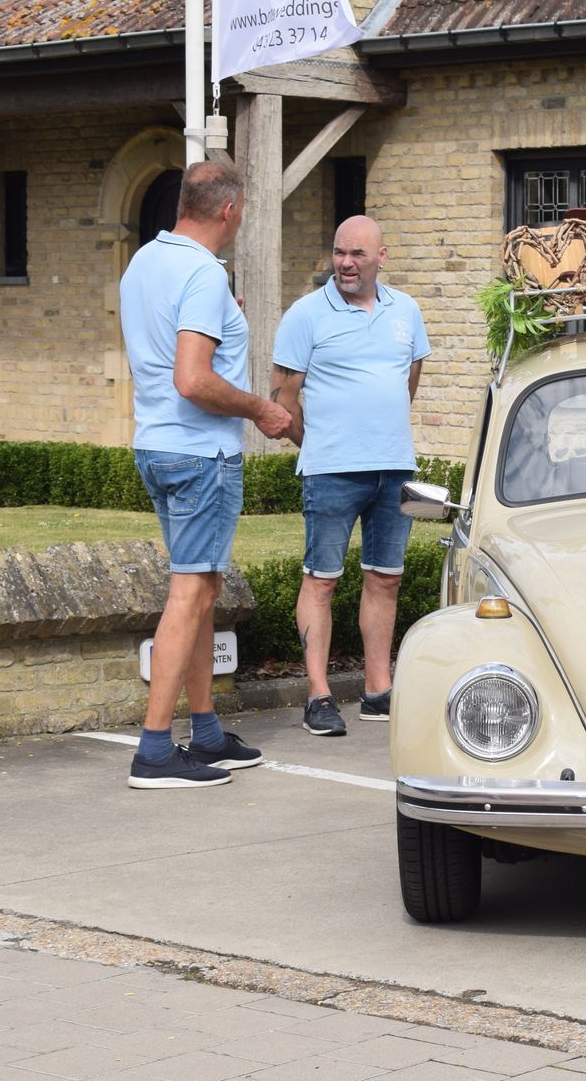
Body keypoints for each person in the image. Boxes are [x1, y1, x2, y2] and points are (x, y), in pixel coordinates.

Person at [120, 159, 294, 788]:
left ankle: (207, 733)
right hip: (198, 455)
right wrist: (261, 410)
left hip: (156, 446)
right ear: (229, 209)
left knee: (202, 589)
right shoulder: (201, 272)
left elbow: (169, 344)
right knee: (190, 592)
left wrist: (224, 313)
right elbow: (192, 380)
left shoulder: (145, 262)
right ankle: (154, 751)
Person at [270, 215, 431, 736]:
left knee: (386, 577)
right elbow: (283, 400)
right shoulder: (304, 315)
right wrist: (322, 445)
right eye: (339, 252)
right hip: (331, 472)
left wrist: (376, 433)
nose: (345, 263)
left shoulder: (406, 311)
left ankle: (378, 692)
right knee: (322, 580)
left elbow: (408, 383)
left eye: (357, 254)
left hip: (394, 468)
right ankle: (318, 696)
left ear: (381, 257)